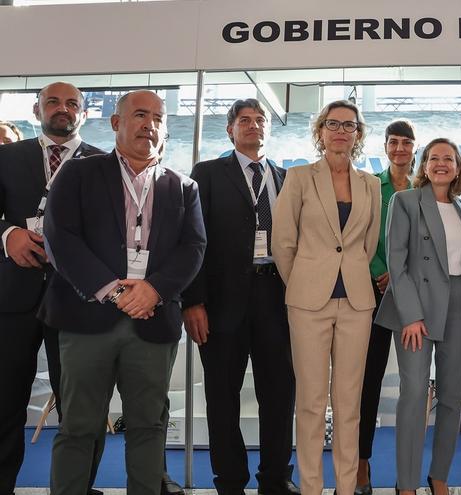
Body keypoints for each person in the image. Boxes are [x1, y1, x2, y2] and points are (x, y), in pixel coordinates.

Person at [40, 90, 206, 495]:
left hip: (153, 322)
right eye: (140, 114)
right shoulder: (79, 173)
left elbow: (194, 247)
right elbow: (61, 238)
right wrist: (114, 291)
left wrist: (154, 290)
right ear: (116, 123)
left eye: (158, 117)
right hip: (87, 321)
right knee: (79, 425)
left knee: (149, 425)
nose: (149, 124)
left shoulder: (182, 186)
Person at [181, 99, 299, 495]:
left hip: (276, 299)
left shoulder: (285, 178)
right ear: (230, 130)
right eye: (244, 120)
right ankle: (229, 482)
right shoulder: (209, 174)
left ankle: (276, 479)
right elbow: (192, 241)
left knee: (280, 394)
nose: (253, 126)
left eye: (259, 120)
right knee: (222, 395)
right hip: (221, 301)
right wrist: (192, 301)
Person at [0, 82, 105, 495]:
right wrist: (7, 233)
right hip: (12, 297)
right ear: (37, 107)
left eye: (72, 104)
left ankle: (78, 488)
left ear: (84, 112)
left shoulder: (104, 162)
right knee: (5, 402)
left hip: (78, 301)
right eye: (54, 102)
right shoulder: (7, 157)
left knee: (81, 407)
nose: (63, 109)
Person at [272, 100, 381, 495]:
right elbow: (283, 242)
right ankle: (312, 488)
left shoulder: (370, 184)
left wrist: (346, 274)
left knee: (349, 402)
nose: (340, 131)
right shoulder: (299, 177)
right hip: (307, 302)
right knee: (312, 401)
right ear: (320, 131)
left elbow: (367, 246)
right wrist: (304, 282)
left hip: (356, 302)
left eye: (348, 125)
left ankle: (346, 487)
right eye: (332, 124)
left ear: (357, 134)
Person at [375, 138, 461, 495]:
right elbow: (397, 262)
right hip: (415, 307)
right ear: (424, 164)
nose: (440, 164)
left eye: (448, 158)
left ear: (458, 167)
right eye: (433, 158)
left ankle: (439, 477)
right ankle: (406, 484)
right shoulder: (405, 201)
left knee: (451, 396)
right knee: (415, 392)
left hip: (457, 305)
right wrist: (411, 316)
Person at [355, 119, 415, 495]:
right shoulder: (368, 186)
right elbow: (359, 234)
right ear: (385, 146)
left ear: (414, 148)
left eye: (406, 143)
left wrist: (400, 276)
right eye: (393, 142)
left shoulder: (424, 187)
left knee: (413, 384)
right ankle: (361, 467)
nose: (399, 149)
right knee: (368, 383)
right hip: (373, 293)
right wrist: (383, 272)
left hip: (411, 295)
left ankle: (407, 475)